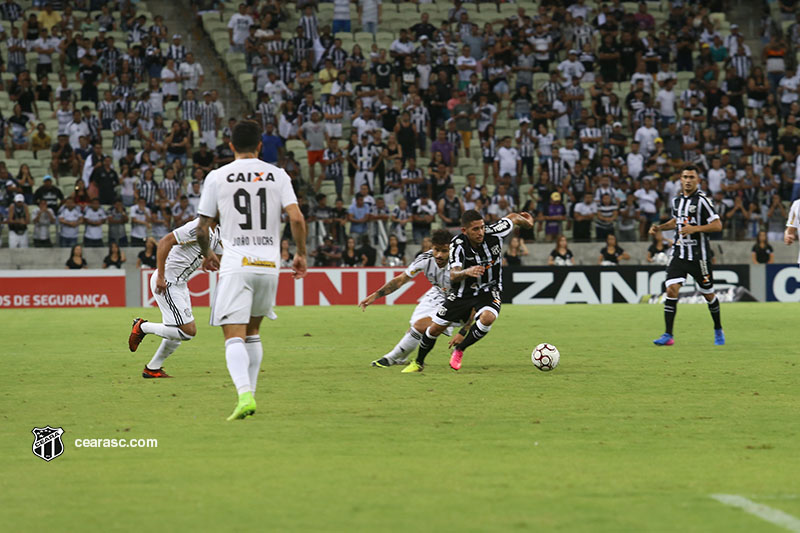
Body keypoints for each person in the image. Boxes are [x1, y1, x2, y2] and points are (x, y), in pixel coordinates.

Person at [193, 120, 307, 420]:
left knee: (234, 335)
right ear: (260, 146)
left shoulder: (217, 177)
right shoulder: (278, 175)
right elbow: (296, 218)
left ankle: (244, 394)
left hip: (236, 264)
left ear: (231, 146)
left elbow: (202, 228)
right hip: (269, 266)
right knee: (253, 331)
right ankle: (251, 395)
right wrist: (301, 254)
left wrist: (206, 255)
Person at [403, 210, 534, 372]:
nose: (481, 232)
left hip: (489, 289)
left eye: (482, 227)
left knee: (488, 317)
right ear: (464, 231)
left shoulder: (495, 232)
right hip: (462, 293)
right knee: (434, 329)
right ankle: (418, 362)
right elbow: (453, 273)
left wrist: (528, 223)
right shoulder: (458, 245)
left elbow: (512, 218)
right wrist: (466, 272)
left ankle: (460, 350)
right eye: (475, 229)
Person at [128, 218, 223, 378]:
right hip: (167, 282)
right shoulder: (197, 227)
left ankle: (152, 368)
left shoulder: (218, 231)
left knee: (175, 331)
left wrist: (208, 257)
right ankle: (142, 327)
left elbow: (219, 254)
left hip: (181, 283)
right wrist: (160, 276)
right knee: (187, 332)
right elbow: (165, 241)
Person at [361, 230, 467, 368]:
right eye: (436, 250)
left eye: (444, 251)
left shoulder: (461, 263)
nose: (439, 255)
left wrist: (464, 331)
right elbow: (401, 280)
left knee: (420, 326)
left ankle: (389, 359)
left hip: (460, 300)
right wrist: (376, 295)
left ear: (451, 249)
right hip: (438, 293)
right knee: (415, 326)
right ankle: (401, 358)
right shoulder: (425, 259)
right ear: (432, 247)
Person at [650, 165, 725, 347]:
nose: (688, 180)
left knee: (708, 294)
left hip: (700, 257)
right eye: (685, 177)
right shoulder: (676, 201)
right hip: (679, 254)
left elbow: (717, 225)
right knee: (671, 289)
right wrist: (660, 228)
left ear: (698, 180)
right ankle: (668, 334)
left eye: (692, 177)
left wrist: (696, 228)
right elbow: (677, 222)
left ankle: (717, 328)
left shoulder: (703, 201)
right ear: (680, 179)